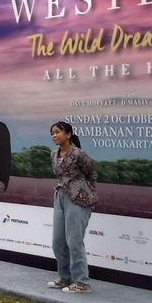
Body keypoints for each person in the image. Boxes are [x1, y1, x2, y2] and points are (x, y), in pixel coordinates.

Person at [47, 121, 98, 294]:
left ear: (68, 134)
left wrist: (84, 190)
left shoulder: (79, 154)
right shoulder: (53, 154)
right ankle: (65, 278)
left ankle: (82, 282)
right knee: (58, 241)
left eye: (58, 132)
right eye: (52, 133)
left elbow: (92, 173)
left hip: (78, 200)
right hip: (60, 197)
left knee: (74, 241)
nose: (54, 135)